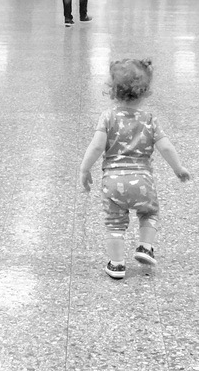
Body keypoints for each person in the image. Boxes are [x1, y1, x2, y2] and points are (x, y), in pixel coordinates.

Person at [79, 58, 191, 280]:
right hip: (143, 182)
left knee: (114, 223)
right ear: (146, 92)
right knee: (149, 212)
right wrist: (178, 168)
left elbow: (97, 146)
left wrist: (85, 168)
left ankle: (117, 264)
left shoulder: (108, 117)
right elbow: (165, 147)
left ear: (112, 91)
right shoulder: (149, 119)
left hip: (112, 182)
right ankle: (145, 246)